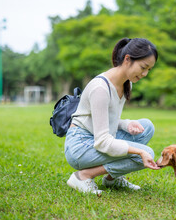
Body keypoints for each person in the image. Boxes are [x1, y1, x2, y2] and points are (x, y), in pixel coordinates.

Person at [64, 37, 160, 195]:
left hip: (96, 137)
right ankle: (83, 176)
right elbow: (102, 142)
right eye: (143, 67)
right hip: (80, 146)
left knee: (146, 127)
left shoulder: (127, 83)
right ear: (127, 59)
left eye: (149, 69)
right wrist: (138, 152)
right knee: (146, 152)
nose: (145, 74)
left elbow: (105, 120)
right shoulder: (100, 88)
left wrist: (126, 124)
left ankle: (111, 178)